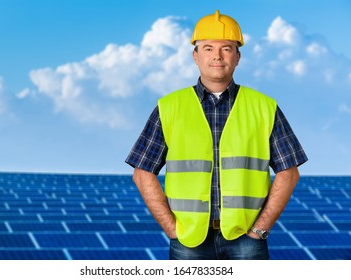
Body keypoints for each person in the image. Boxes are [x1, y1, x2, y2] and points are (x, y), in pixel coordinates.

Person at [125, 9, 308, 260]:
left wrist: (260, 229)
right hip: (188, 241)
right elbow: (142, 172)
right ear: (195, 55)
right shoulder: (169, 107)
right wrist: (172, 228)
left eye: (226, 48)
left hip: (247, 239)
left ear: (237, 57)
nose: (217, 56)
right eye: (208, 48)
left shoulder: (264, 107)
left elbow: (289, 172)